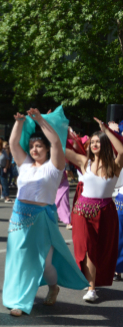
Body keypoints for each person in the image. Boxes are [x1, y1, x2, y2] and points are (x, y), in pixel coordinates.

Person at [2, 108, 88, 316]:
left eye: (39, 146)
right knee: (17, 259)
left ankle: (53, 287)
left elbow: (57, 142)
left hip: (42, 218)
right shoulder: (25, 164)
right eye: (31, 146)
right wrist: (19, 123)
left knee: (45, 262)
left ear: (47, 149)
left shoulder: (54, 166)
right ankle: (18, 301)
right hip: (19, 217)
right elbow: (13, 144)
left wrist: (40, 120)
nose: (34, 150)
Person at [64, 119, 123, 302]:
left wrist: (106, 130)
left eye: (98, 141)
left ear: (104, 144)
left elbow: (121, 150)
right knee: (87, 248)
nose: (94, 144)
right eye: (93, 142)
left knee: (101, 250)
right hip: (82, 212)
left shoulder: (114, 165)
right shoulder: (84, 162)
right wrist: (53, 127)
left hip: (106, 212)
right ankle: (91, 288)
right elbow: (61, 149)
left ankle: (92, 281)